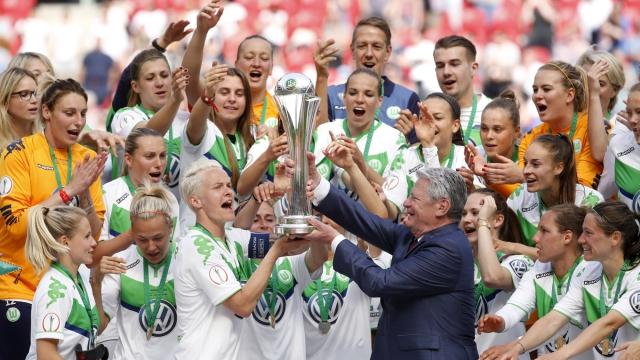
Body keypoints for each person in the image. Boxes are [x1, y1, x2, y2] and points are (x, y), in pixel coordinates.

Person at [305, 161, 478, 359]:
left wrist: (335, 240)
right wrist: (319, 185)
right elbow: (365, 221)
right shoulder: (412, 236)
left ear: (442, 207)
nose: (406, 203)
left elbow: (380, 282)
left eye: (415, 198)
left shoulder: (449, 249)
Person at [0, 79, 106, 360]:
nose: (78, 121)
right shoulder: (19, 153)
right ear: (46, 112)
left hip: (69, 289)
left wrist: (83, 196)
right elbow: (15, 226)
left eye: (83, 113)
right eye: (69, 113)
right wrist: (68, 191)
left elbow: (95, 238)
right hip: (20, 288)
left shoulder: (87, 158)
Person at [173, 159, 306, 359]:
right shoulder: (197, 246)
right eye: (218, 187)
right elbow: (243, 305)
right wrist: (276, 251)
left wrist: (287, 194)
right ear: (195, 201)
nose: (228, 192)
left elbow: (291, 245)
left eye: (228, 185)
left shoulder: (231, 239)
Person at [487, 201, 640, 360]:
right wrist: (517, 348)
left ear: (615, 238)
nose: (580, 240)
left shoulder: (636, 274)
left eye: (588, 233)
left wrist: (558, 356)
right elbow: (555, 318)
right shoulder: (588, 271)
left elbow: (610, 323)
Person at [477, 204, 590, 359]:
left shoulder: (590, 271)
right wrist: (501, 319)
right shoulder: (540, 267)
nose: (535, 238)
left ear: (567, 237)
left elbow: (554, 323)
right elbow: (518, 304)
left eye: (544, 231)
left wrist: (515, 346)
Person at [93, 184, 179, 359]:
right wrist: (95, 281)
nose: (151, 247)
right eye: (142, 239)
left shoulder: (187, 259)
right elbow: (100, 326)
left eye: (158, 238)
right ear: (132, 232)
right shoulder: (119, 262)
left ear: (171, 227)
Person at [182, 0, 280, 132]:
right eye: (249, 57)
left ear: (271, 68)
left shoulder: (281, 111)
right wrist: (201, 31)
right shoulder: (219, 102)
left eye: (264, 58)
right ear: (237, 65)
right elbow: (189, 80)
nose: (256, 64)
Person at [107, 48, 189, 199]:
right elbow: (147, 136)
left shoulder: (184, 119)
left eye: (164, 76)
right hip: (129, 215)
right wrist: (175, 100)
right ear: (136, 86)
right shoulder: (125, 116)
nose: (159, 83)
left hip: (174, 217)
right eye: (150, 78)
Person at [180, 64, 254, 231]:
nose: (232, 99)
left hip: (233, 242)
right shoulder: (205, 131)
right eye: (224, 92)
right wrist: (206, 97)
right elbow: (195, 123)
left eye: (239, 94)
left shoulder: (250, 140)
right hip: (198, 239)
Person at [24, 205, 104, 360]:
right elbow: (46, 354)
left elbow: (98, 328)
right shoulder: (55, 288)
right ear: (65, 242)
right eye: (87, 236)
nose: (94, 243)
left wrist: (97, 283)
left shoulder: (79, 279)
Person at [384, 93, 481, 219]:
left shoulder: (466, 157)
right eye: (423, 117)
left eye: (437, 118)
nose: (429, 123)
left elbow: (481, 208)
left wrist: (471, 190)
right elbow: (390, 212)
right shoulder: (404, 155)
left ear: (455, 125)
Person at [314, 68, 407, 196]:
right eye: (352, 93)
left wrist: (360, 162)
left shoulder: (395, 138)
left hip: (371, 216)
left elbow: (396, 196)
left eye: (368, 94)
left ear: (379, 101)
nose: (359, 99)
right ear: (344, 97)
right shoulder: (324, 131)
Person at [462, 189, 533, 355]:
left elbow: (492, 277)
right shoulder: (459, 264)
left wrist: (483, 223)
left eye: (475, 213)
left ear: (498, 219)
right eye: (463, 213)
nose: (466, 219)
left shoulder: (519, 261)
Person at [325, 17, 420, 137]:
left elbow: (418, 152)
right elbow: (317, 144)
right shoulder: (331, 96)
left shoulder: (407, 99)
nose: (369, 54)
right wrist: (321, 78)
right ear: (353, 51)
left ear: (387, 53)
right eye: (362, 46)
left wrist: (406, 140)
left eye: (376, 47)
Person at [508, 134, 603, 246]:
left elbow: (583, 256)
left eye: (535, 164)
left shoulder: (591, 200)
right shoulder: (518, 197)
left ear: (559, 168)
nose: (526, 171)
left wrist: (516, 248)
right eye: (525, 163)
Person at [519, 61, 602, 189]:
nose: (537, 96)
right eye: (535, 90)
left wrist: (521, 176)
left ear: (569, 95)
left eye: (546, 89)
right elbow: (523, 195)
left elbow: (583, 192)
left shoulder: (592, 129)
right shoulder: (530, 137)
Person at [431, 35, 492, 146]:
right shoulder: (426, 115)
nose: (446, 72)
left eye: (454, 64)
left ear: (473, 69)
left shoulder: (494, 111)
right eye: (440, 66)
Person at [466, 90, 524, 198]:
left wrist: (523, 177)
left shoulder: (530, 161)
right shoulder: (470, 159)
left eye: (497, 129)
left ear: (516, 131)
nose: (489, 136)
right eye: (484, 128)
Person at [599, 83, 640, 214]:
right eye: (629, 112)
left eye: (639, 112)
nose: (633, 119)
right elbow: (601, 195)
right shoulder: (618, 141)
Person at [576, 49, 625, 144]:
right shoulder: (562, 120)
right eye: (585, 81)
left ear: (615, 90)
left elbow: (600, 155)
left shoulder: (620, 128)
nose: (590, 88)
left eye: (600, 84)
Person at [0, 67, 39, 150]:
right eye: (24, 94)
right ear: (5, 99)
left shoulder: (47, 138)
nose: (34, 100)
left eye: (35, 94)